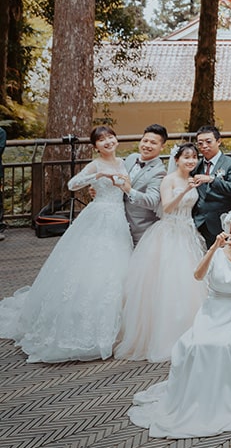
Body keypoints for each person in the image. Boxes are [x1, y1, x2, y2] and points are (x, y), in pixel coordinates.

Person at [0, 126, 134, 362]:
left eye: (110, 137)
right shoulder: (96, 164)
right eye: (101, 140)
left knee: (117, 267)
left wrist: (125, 186)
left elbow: (128, 190)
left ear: (116, 139)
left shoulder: (124, 162)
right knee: (90, 265)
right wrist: (97, 176)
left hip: (118, 219)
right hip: (98, 216)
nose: (107, 142)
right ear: (95, 146)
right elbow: (73, 184)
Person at [129, 208, 231, 438]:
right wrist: (214, 248)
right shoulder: (219, 252)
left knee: (222, 346)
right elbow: (198, 275)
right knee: (193, 345)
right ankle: (192, 395)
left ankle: (218, 399)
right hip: (211, 310)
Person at [116, 142, 209, 362]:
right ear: (176, 159)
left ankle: (189, 333)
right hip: (169, 234)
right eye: (186, 157)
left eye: (194, 157)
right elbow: (166, 207)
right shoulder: (169, 180)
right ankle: (163, 336)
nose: (190, 161)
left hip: (188, 233)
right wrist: (186, 190)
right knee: (168, 284)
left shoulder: (192, 179)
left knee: (191, 285)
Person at [192, 125, 231, 248]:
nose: (204, 146)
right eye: (200, 143)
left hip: (220, 221)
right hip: (198, 221)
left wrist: (212, 179)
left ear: (218, 141)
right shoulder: (196, 166)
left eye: (208, 142)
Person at [121, 124, 169, 246]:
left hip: (140, 229)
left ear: (162, 147)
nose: (147, 145)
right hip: (119, 222)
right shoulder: (131, 158)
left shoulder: (159, 172)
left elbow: (152, 201)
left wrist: (129, 190)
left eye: (153, 143)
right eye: (145, 140)